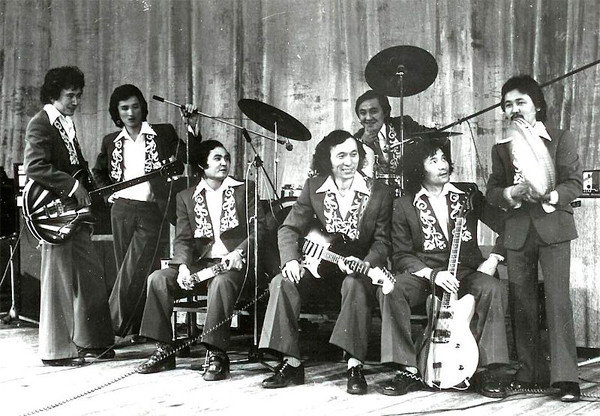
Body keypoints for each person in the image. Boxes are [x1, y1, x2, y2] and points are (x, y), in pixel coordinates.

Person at [259, 130, 394, 395]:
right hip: (320, 271)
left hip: (356, 272)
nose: (349, 161)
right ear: (327, 159)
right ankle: (291, 362)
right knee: (282, 282)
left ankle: (354, 366)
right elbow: (288, 228)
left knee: (354, 285)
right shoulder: (314, 188)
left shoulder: (379, 192)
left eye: (354, 154)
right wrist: (290, 260)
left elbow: (382, 242)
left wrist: (366, 263)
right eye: (341, 155)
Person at [385, 138, 508, 397]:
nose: (443, 165)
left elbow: (508, 225)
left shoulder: (468, 195)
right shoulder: (404, 204)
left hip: (466, 271)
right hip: (425, 274)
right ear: (418, 168)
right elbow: (402, 255)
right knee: (391, 289)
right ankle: (407, 367)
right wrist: (432, 274)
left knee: (492, 288)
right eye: (433, 160)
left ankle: (488, 370)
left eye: (444, 158)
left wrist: (494, 258)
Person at [486, 75, 582, 402]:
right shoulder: (501, 148)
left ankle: (566, 379)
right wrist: (509, 194)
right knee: (522, 303)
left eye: (520, 102)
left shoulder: (560, 138)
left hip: (554, 228)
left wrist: (550, 195)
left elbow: (573, 183)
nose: (514, 109)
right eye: (507, 104)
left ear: (536, 105)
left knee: (557, 301)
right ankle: (530, 372)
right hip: (517, 230)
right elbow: (492, 191)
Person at [137, 139, 265, 381]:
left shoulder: (245, 189)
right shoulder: (186, 197)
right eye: (217, 158)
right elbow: (183, 239)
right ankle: (164, 350)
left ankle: (217, 354)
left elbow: (259, 230)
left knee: (221, 283)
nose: (224, 163)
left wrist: (239, 251)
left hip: (234, 264)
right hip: (200, 264)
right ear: (201, 165)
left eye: (226, 158)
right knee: (158, 279)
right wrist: (183, 267)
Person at [92, 85, 200, 340]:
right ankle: (137, 330)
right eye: (124, 108)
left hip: (152, 210)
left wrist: (191, 126)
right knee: (128, 270)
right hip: (121, 211)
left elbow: (190, 157)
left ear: (143, 108)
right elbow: (98, 173)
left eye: (135, 106)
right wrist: (109, 195)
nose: (131, 113)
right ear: (117, 112)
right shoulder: (110, 141)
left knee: (133, 269)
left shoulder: (163, 133)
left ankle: (105, 330)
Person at [23, 66, 114, 366]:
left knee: (92, 275)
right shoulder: (41, 123)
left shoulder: (66, 123)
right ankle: (56, 351)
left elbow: (77, 166)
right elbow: (35, 166)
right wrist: (73, 186)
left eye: (78, 95)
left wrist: (94, 189)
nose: (76, 101)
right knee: (58, 281)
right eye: (70, 96)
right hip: (54, 215)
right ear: (54, 95)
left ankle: (93, 342)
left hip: (75, 214)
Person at [354, 90, 433, 196]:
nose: (368, 118)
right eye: (363, 113)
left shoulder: (404, 126)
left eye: (373, 111)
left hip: (409, 195)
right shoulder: (355, 141)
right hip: (376, 199)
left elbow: (435, 137)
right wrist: (363, 145)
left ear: (385, 112)